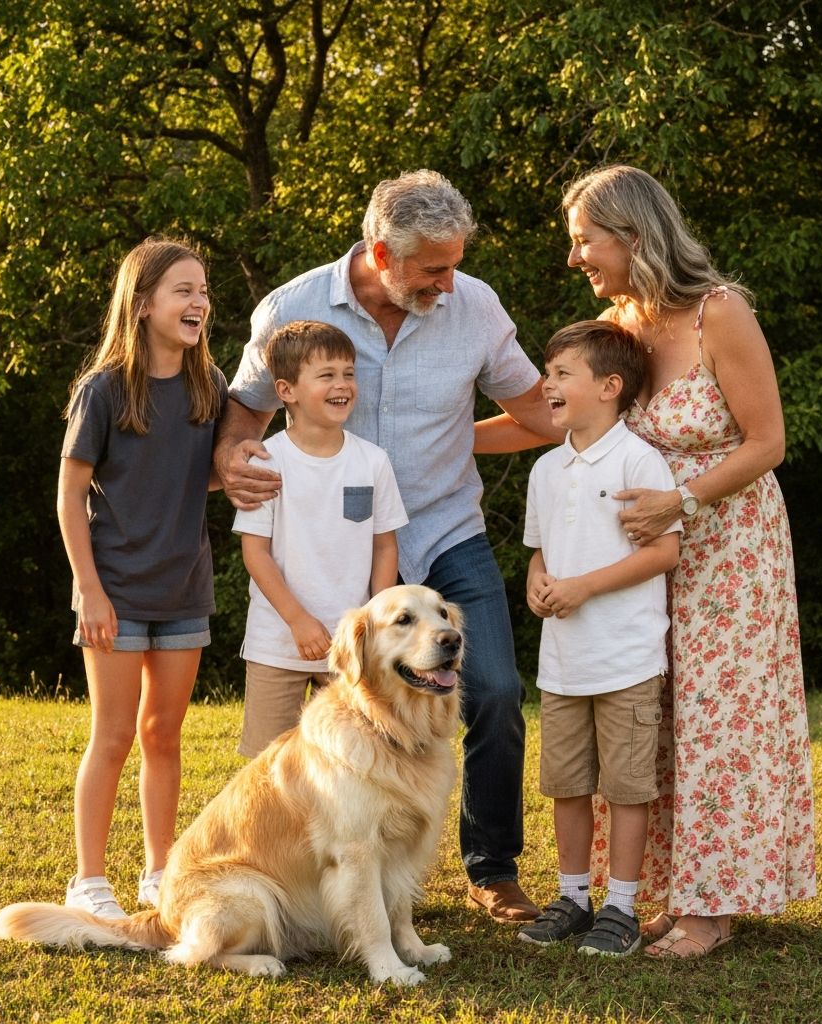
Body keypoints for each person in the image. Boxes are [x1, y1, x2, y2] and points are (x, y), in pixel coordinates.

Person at [217, 169, 563, 923]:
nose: (450, 280)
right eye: (434, 267)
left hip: (444, 535)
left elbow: (539, 415)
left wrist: (456, 441)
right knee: (306, 741)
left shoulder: (474, 308)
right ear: (380, 251)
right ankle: (301, 885)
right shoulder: (293, 308)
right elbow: (242, 423)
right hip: (336, 553)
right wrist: (235, 469)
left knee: (498, 691)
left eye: (455, 262)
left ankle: (493, 869)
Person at [557, 164, 817, 957]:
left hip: (731, 550)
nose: (576, 260)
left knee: (720, 720)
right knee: (657, 719)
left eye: (583, 242)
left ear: (631, 237)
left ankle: (716, 906)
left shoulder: (720, 313)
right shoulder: (623, 327)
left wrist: (683, 501)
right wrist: (438, 438)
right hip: (646, 557)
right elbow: (554, 414)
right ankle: (675, 888)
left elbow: (768, 442)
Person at [57, 237, 226, 918]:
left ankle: (159, 872)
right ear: (145, 301)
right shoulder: (102, 391)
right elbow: (70, 495)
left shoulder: (208, 387)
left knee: (164, 735)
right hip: (116, 593)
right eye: (184, 290)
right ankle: (89, 880)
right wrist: (90, 590)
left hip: (184, 590)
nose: (199, 302)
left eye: (205, 291)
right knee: (115, 735)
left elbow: (208, 475)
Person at [516, 320, 681, 956]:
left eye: (562, 374)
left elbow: (664, 552)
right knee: (567, 783)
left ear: (610, 386)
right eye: (548, 372)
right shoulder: (546, 468)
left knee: (628, 786)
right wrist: (539, 584)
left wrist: (584, 587)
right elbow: (539, 555)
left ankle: (623, 906)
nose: (547, 384)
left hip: (626, 658)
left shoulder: (639, 458)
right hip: (562, 664)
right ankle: (574, 898)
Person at [232, 319, 408, 756]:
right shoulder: (269, 461)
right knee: (267, 767)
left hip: (351, 651)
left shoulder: (373, 461)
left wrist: (375, 626)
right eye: (326, 375)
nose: (342, 384)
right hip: (278, 641)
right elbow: (255, 554)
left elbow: (384, 545)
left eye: (349, 373)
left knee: (353, 761)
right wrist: (298, 621)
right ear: (287, 390)